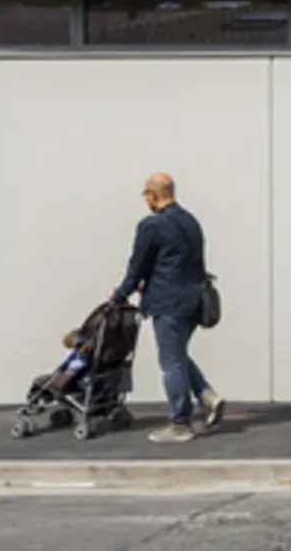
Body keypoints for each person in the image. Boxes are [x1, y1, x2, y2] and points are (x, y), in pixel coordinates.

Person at [112, 172, 222, 443]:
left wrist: (120, 295)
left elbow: (137, 265)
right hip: (195, 300)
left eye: (146, 195)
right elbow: (178, 262)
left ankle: (180, 423)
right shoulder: (191, 221)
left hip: (168, 303)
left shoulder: (151, 225)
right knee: (178, 354)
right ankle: (207, 396)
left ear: (153, 194)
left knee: (170, 361)